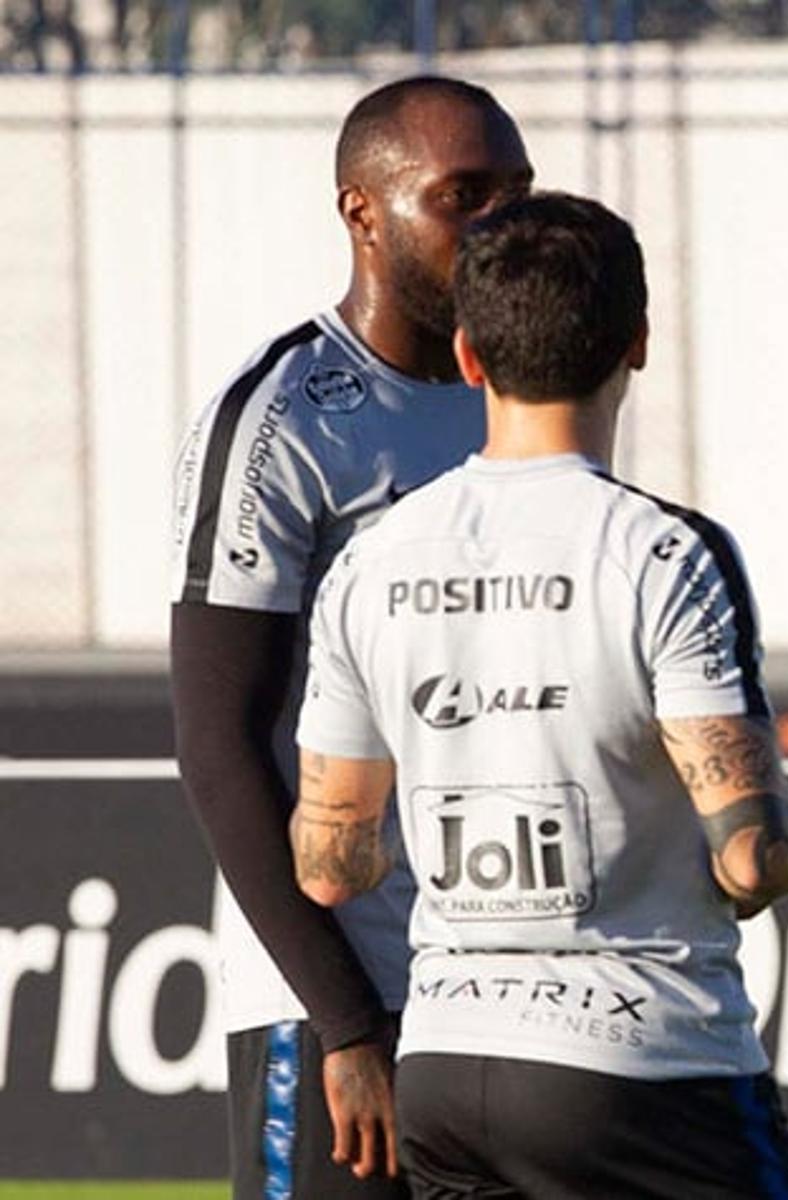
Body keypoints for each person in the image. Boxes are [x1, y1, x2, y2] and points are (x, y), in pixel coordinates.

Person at [288, 192, 788, 1199]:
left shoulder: (369, 563)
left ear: (472, 358)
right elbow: (751, 856)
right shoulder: (665, 554)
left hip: (445, 1065)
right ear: (639, 342)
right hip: (643, 1061)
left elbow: (331, 860)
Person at [168, 76, 532, 1195]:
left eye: (516, 194)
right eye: (462, 195)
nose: (499, 226)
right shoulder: (285, 418)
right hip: (342, 993)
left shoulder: (529, 395)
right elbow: (220, 741)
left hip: (509, 987)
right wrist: (343, 1022)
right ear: (362, 210)